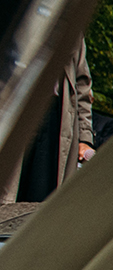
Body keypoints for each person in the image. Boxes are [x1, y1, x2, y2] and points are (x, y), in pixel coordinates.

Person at [2, 41, 93, 203]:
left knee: (40, 197)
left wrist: (85, 137)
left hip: (55, 120)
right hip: (17, 108)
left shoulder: (75, 34)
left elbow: (83, 87)